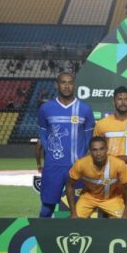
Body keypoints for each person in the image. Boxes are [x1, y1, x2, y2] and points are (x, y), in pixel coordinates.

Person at [37, 71, 95, 218]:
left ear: (74, 85)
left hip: (77, 168)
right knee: (46, 208)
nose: (66, 86)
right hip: (53, 167)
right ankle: (42, 239)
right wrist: (49, 154)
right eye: (63, 82)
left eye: (70, 82)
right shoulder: (45, 109)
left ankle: (79, 239)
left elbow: (90, 140)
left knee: (80, 211)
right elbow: (42, 136)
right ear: (57, 85)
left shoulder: (85, 110)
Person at [94, 86, 127, 216]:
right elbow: (95, 152)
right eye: (119, 99)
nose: (123, 102)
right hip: (108, 177)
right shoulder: (102, 124)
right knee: (106, 217)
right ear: (114, 101)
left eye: (126, 99)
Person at [66, 136, 127, 219]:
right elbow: (69, 185)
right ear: (90, 151)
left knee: (121, 222)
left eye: (101, 149)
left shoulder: (118, 164)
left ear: (106, 149)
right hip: (89, 197)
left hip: (112, 198)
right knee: (76, 220)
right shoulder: (81, 164)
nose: (98, 153)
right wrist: (73, 213)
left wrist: (126, 215)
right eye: (95, 150)